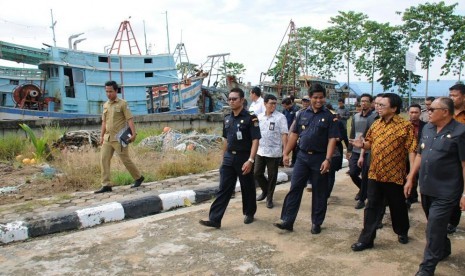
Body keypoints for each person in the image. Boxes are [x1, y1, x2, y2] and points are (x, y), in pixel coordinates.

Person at [404, 97, 465, 276]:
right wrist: (410, 178)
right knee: (435, 224)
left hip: (447, 190)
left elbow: (464, 165)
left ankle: (427, 268)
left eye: (432, 110)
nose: (427, 112)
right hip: (427, 187)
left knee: (433, 228)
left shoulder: (461, 132)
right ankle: (444, 248)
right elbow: (420, 156)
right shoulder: (428, 129)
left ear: (445, 112)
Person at [350, 93, 417, 251]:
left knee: (397, 206)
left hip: (394, 175)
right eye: (378, 105)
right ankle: (366, 239)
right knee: (371, 206)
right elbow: (370, 144)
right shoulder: (376, 124)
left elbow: (412, 150)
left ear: (394, 108)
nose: (378, 108)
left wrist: (411, 175)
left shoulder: (405, 126)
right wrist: (362, 145)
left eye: (382, 105)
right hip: (375, 173)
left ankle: (402, 231)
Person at [274, 84, 339, 234]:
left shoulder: (330, 116)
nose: (318, 100)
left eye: (321, 97)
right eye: (315, 97)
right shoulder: (301, 114)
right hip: (302, 157)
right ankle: (287, 220)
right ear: (310, 98)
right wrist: (286, 153)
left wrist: (328, 159)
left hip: (320, 157)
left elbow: (332, 139)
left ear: (324, 98)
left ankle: (316, 223)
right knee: (295, 188)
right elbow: (294, 135)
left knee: (319, 191)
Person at [199, 88, 261, 228]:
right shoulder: (227, 118)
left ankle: (249, 212)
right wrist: (223, 158)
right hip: (229, 158)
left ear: (242, 100)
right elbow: (226, 140)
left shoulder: (251, 118)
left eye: (234, 99)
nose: (231, 101)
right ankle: (215, 219)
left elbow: (255, 140)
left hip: (244, 158)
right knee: (224, 188)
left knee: (247, 187)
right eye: (230, 99)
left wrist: (251, 160)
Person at [96, 80, 144, 193]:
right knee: (104, 159)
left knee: (125, 159)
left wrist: (133, 134)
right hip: (108, 138)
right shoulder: (105, 105)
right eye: (107, 91)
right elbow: (104, 122)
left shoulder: (123, 104)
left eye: (111, 91)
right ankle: (106, 184)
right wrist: (101, 136)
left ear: (116, 91)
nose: (108, 94)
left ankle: (138, 177)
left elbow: (129, 119)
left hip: (119, 138)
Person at [254, 94, 288, 209]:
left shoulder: (280, 117)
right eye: (271, 103)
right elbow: (255, 135)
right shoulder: (259, 117)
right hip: (260, 150)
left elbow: (284, 135)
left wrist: (285, 153)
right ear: (265, 104)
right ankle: (265, 190)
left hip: (274, 152)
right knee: (257, 173)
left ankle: (269, 198)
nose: (273, 105)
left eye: (275, 103)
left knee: (272, 176)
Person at [347, 93, 373, 209]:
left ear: (371, 103)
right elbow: (352, 132)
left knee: (366, 175)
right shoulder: (356, 116)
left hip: (368, 150)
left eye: (366, 101)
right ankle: (364, 190)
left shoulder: (374, 117)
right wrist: (349, 149)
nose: (364, 103)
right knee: (353, 172)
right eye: (362, 101)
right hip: (356, 150)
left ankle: (362, 199)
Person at [447, 83, 465, 234]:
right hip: (448, 158)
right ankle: (451, 219)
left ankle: (453, 219)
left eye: (455, 96)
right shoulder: (446, 113)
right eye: (450, 96)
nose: (452, 98)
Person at [325, 103, 348, 199]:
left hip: (335, 152)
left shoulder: (338, 123)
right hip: (322, 151)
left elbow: (343, 136)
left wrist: (335, 139)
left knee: (330, 173)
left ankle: (327, 194)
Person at [405, 103, 426, 207]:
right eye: (411, 112)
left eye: (416, 112)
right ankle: (408, 198)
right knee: (408, 176)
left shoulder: (426, 127)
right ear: (408, 113)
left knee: (417, 177)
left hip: (421, 156)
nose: (413, 115)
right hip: (406, 156)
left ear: (420, 113)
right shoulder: (403, 125)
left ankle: (414, 196)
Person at [282, 97, 300, 167]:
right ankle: (282, 161)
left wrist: (291, 131)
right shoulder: (285, 110)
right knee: (284, 145)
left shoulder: (296, 110)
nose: (284, 107)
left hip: (293, 131)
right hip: (285, 130)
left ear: (289, 104)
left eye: (285, 106)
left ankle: (293, 162)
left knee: (294, 147)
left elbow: (295, 122)